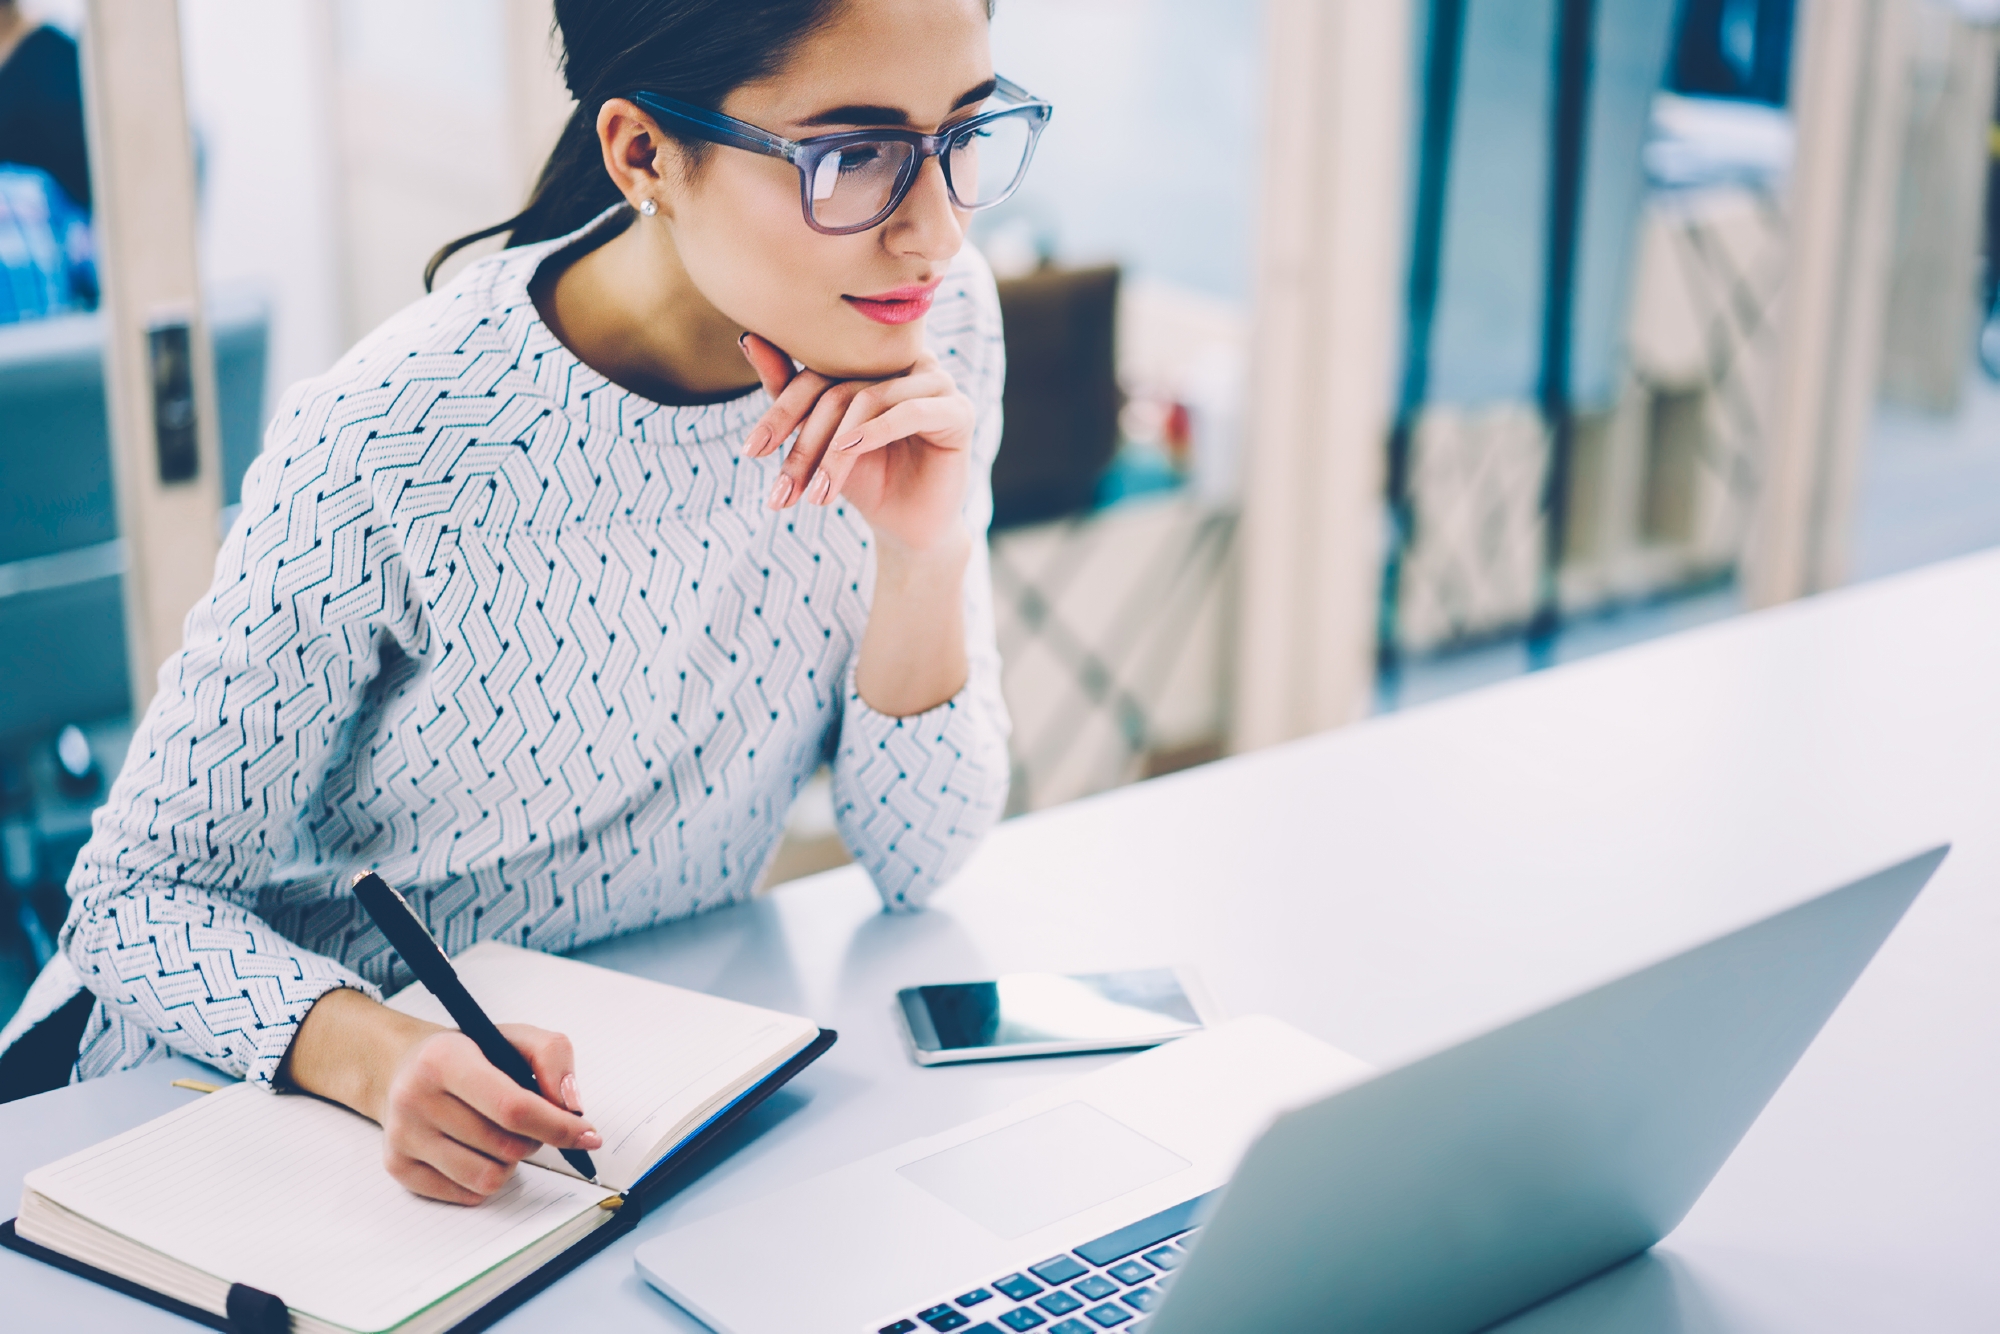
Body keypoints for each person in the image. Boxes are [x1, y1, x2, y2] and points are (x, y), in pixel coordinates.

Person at [0, 0, 1039, 1209]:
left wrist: (926, 555)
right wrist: (374, 1053)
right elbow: (132, 902)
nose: (933, 229)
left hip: (617, 1111)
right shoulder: (395, 436)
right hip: (241, 1112)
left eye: (963, 134)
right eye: (852, 155)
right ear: (642, 153)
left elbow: (920, 857)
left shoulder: (932, 326)